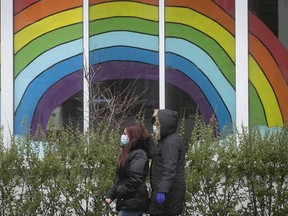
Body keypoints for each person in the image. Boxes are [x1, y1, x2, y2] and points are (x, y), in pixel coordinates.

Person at [105, 122, 151, 216]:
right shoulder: (130, 153)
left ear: (133, 136)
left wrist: (121, 191)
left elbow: (135, 178)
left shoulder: (139, 154)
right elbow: (122, 179)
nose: (123, 136)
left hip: (133, 202)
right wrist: (111, 195)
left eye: (126, 134)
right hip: (130, 201)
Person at [149, 109, 186, 216]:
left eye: (157, 124)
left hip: (169, 193)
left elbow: (170, 168)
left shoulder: (170, 142)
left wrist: (163, 190)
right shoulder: (167, 140)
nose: (155, 127)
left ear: (163, 125)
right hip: (167, 190)